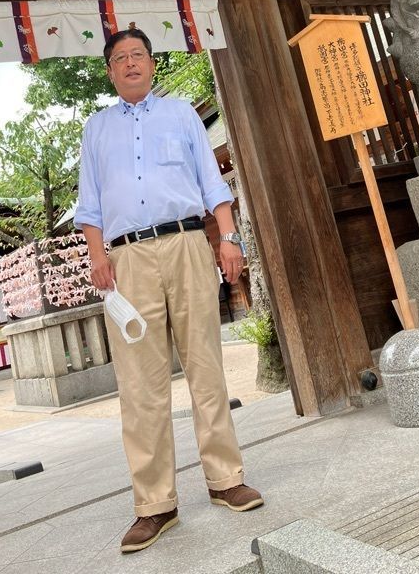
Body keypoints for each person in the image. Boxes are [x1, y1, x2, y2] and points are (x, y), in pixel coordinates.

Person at [75, 28, 264, 554]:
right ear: (110, 72)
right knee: (139, 384)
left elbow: (211, 182)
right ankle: (154, 505)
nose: (130, 63)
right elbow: (88, 203)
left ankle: (226, 478)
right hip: (126, 257)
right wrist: (98, 258)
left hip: (185, 244)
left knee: (205, 364)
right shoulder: (96, 129)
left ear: (152, 64)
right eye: (120, 58)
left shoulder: (181, 114)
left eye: (138, 55)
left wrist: (228, 238)